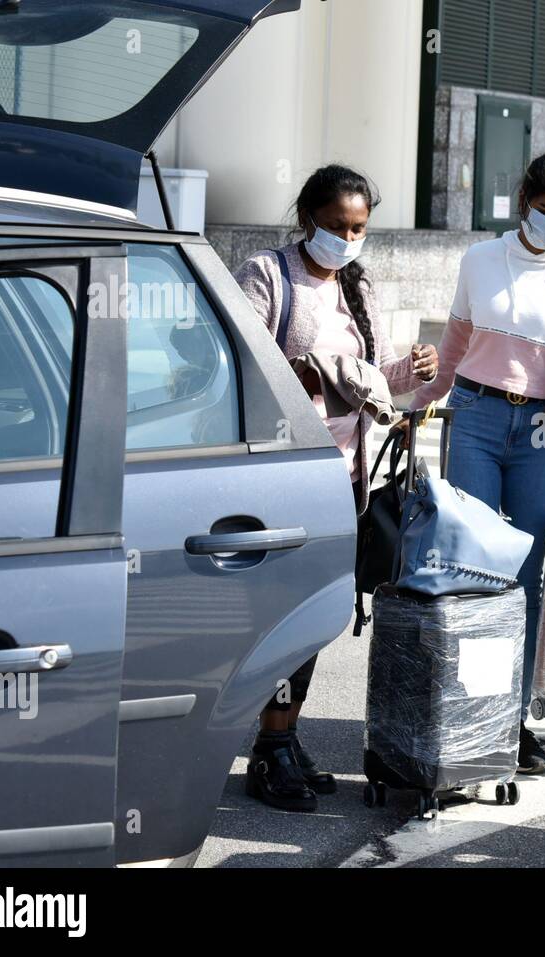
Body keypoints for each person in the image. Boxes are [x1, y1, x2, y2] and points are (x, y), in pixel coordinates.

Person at [234, 164, 439, 812]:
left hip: (343, 478)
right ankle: (270, 747)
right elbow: (234, 361)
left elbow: (370, 379)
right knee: (280, 618)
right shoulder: (267, 276)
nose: (347, 239)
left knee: (316, 618)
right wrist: (307, 374)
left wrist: (412, 369)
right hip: (282, 473)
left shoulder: (358, 284)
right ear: (307, 220)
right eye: (335, 227)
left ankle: (283, 739)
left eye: (358, 228)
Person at [408, 153, 545, 775]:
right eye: (544, 209)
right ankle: (462, 715)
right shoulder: (479, 259)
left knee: (523, 578)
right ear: (523, 196)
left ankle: (511, 720)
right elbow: (453, 350)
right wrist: (416, 405)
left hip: (543, 431)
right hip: (476, 415)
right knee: (471, 570)